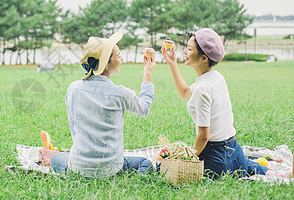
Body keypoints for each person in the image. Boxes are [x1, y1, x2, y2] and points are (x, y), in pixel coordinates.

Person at [161, 28, 269, 178]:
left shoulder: (202, 88)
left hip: (216, 160)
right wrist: (172, 63)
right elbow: (184, 92)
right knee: (250, 167)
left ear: (204, 58)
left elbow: (203, 136)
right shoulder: (216, 77)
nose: (184, 51)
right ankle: (273, 172)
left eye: (189, 49)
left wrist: (188, 156)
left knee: (163, 166)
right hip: (235, 151)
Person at [50, 32, 157, 177]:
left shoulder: (73, 89)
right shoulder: (119, 93)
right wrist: (148, 72)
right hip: (111, 168)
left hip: (79, 166)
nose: (122, 59)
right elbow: (144, 108)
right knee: (145, 164)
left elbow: (74, 129)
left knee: (55, 157)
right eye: (118, 56)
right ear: (106, 63)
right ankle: (129, 179)